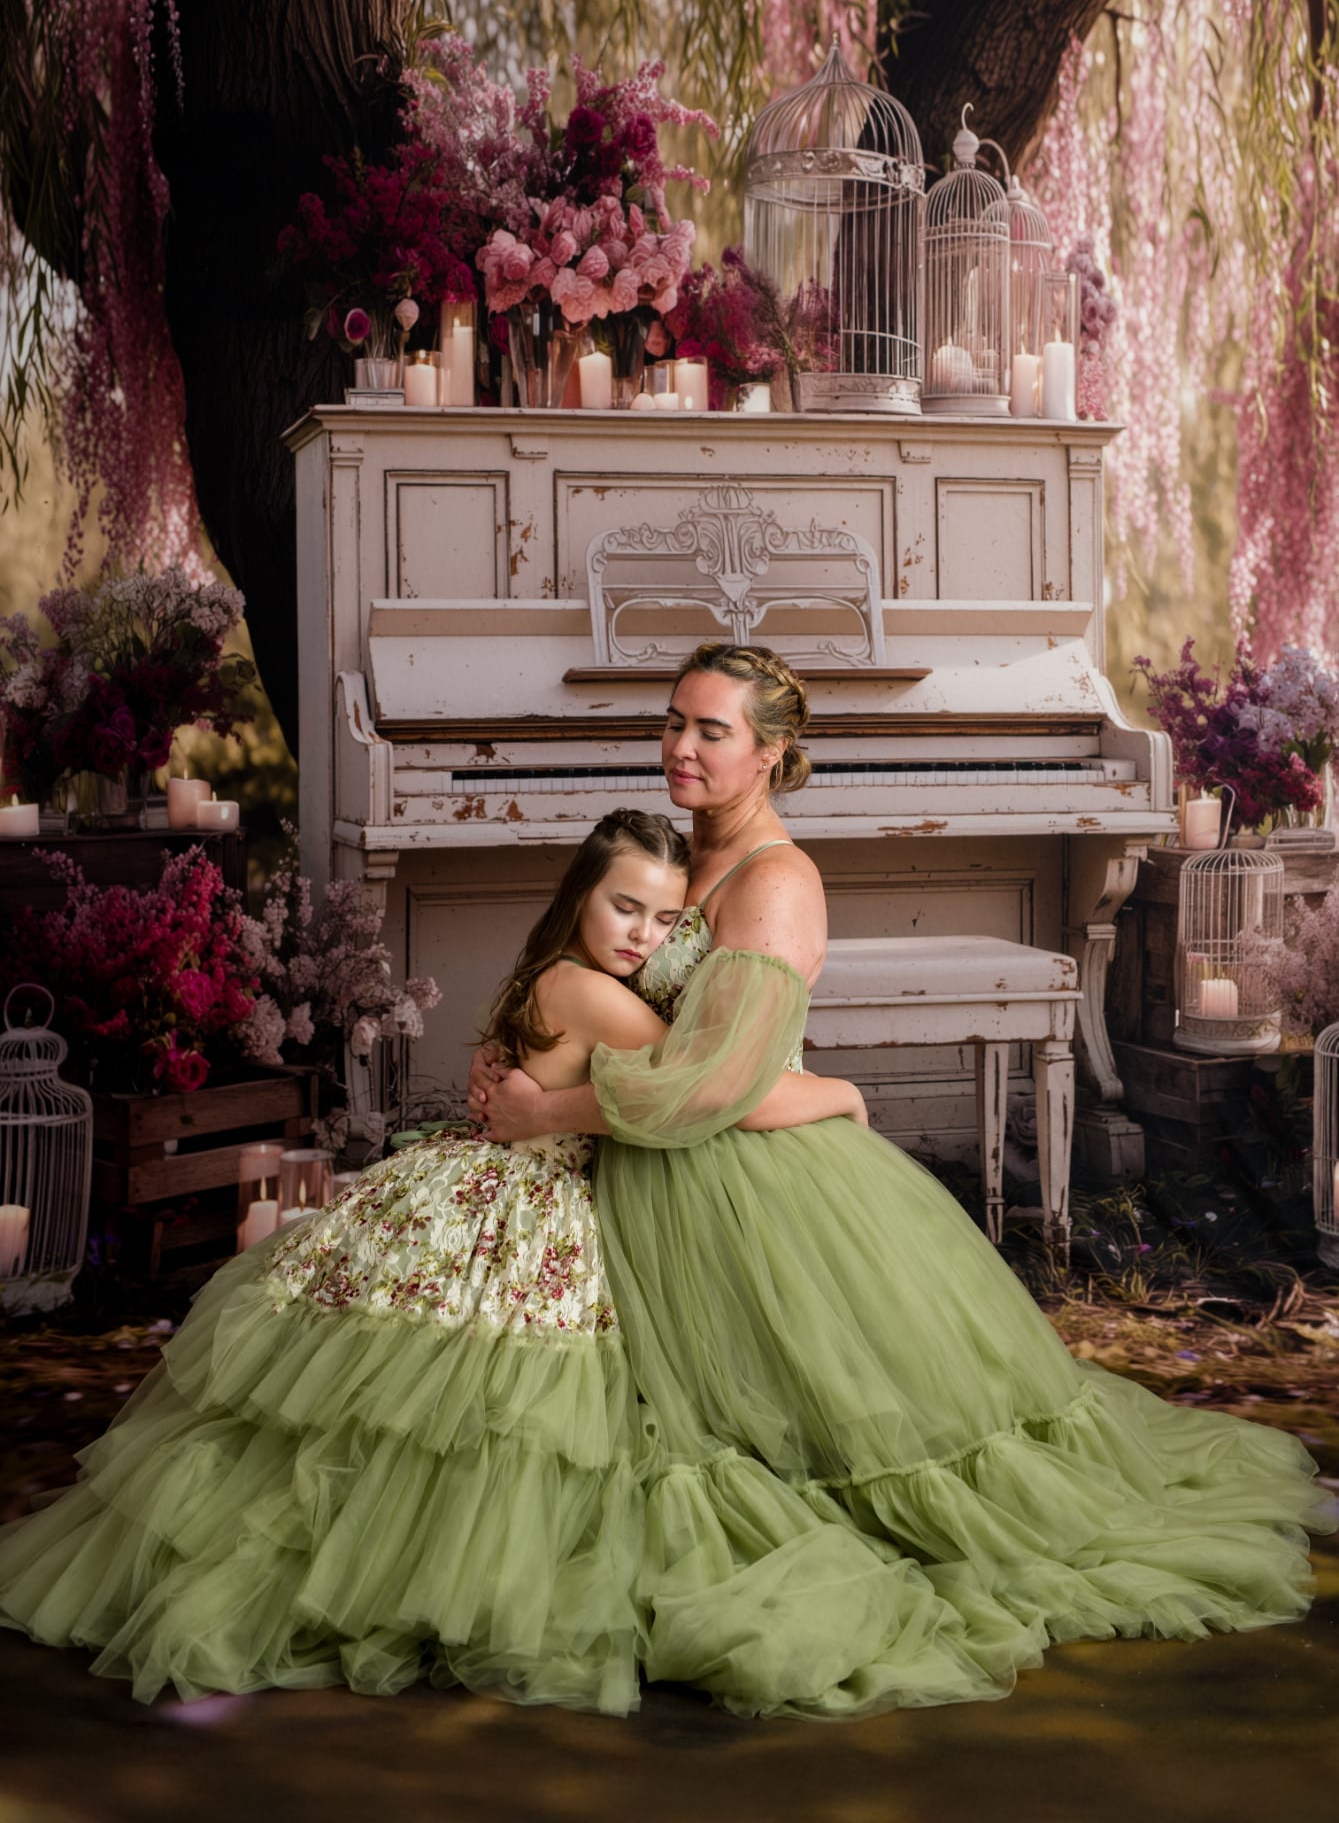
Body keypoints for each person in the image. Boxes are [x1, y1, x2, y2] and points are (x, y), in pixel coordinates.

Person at [470, 639, 1336, 1719]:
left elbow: (707, 1086)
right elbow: (628, 999)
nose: (679, 747)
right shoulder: (690, 852)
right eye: (673, 720)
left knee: (804, 1429)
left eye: (711, 730)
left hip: (726, 1165)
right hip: (654, 1161)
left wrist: (549, 1106)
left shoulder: (773, 879)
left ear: (772, 753)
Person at [0, 808, 854, 1711]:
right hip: (526, 1200)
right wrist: (837, 1093)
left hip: (484, 1173)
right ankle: (430, 1581)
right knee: (496, 1410)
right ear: (580, 897)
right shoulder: (591, 993)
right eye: (625, 908)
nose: (643, 936)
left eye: (664, 921)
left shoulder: (558, 974)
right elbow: (717, 1089)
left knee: (423, 1407)